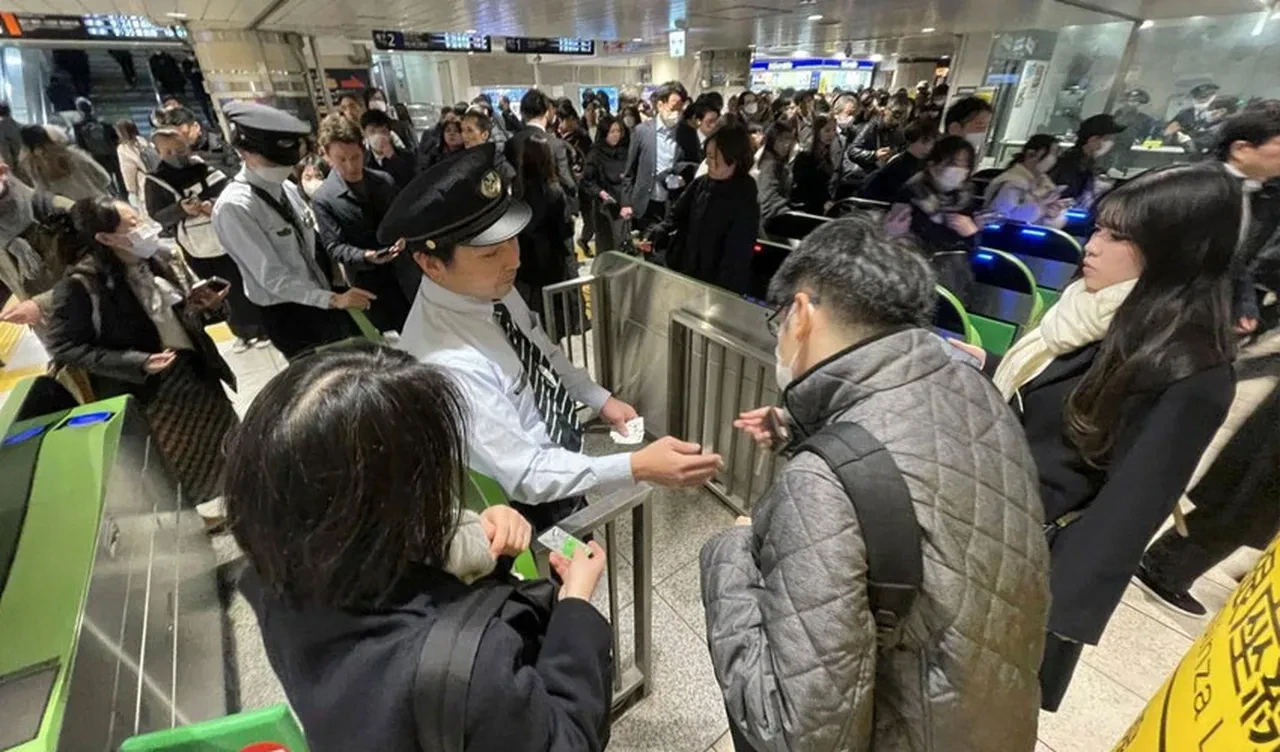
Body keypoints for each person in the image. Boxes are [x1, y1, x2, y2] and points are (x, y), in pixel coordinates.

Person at [701, 216, 1049, 751]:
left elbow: (791, 732)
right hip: (986, 717)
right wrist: (803, 429)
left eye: (778, 320)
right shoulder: (976, 388)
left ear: (800, 312)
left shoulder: (822, 484)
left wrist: (728, 551)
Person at [228, 345, 614, 752]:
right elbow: (566, 740)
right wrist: (576, 605)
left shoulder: (271, 579)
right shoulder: (469, 670)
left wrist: (476, 538)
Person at [968, 164, 1238, 710]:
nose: (1093, 246)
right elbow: (1062, 402)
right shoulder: (1088, 308)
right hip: (985, 521)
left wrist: (1047, 629)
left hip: (1031, 566)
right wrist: (987, 362)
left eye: (1119, 237)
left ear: (1175, 251)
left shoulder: (1189, 367)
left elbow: (1127, 512)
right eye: (1098, 229)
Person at [381, 144, 724, 531]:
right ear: (430, 263)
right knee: (564, 575)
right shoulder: (445, 364)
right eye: (491, 253)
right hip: (525, 506)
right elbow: (525, 474)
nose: (514, 260)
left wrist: (599, 398)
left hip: (564, 461)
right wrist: (638, 465)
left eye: (512, 240)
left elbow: (541, 351)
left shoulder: (488, 289)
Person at [49, 196, 239, 509]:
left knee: (229, 446)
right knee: (183, 467)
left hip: (194, 372)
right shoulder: (81, 285)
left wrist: (206, 307)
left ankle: (246, 500)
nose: (145, 228)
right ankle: (202, 522)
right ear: (106, 238)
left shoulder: (156, 260)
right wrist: (138, 362)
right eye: (133, 225)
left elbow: (177, 314)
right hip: (151, 394)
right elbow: (64, 346)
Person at [212, 102, 371, 359]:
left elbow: (310, 244)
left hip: (321, 299)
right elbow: (272, 278)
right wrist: (332, 299)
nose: (282, 167)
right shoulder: (235, 208)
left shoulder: (286, 188)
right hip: (289, 313)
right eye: (273, 160)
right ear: (244, 152)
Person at [146, 126, 267, 352]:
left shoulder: (204, 168)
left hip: (223, 236)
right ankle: (238, 331)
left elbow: (228, 190)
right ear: (158, 152)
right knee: (213, 288)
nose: (175, 156)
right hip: (194, 245)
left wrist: (211, 204)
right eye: (168, 151)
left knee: (240, 282)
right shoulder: (155, 181)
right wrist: (181, 209)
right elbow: (156, 212)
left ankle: (258, 328)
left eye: (179, 149)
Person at [311, 114, 413, 334]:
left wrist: (403, 237)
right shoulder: (324, 198)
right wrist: (364, 256)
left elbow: (401, 220)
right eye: (342, 159)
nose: (350, 166)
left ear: (363, 149)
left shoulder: (384, 180)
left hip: (403, 273)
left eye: (355, 157)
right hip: (368, 283)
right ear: (327, 156)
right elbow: (334, 246)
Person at [648, 125, 759, 295]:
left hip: (714, 285)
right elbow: (677, 215)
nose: (707, 163)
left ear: (733, 158)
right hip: (685, 271)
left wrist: (722, 294)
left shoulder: (745, 197)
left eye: (713, 157)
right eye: (707, 156)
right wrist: (662, 230)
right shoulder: (702, 183)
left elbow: (736, 257)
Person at [888, 135, 982, 304]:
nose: (960, 170)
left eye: (965, 165)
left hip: (955, 276)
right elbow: (900, 242)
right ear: (932, 166)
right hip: (915, 277)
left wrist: (972, 232)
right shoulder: (913, 192)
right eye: (953, 164)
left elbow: (973, 247)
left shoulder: (965, 196)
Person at [0, 159, 75, 340]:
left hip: (104, 330)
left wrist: (41, 305)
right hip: (55, 337)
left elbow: (105, 268)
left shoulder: (57, 210)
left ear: (2, 172)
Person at [509, 132, 572, 322]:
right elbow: (562, 230)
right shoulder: (554, 192)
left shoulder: (517, 191)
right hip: (550, 260)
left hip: (524, 259)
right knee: (551, 315)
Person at [620, 81, 688, 234]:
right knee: (650, 248)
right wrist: (626, 203)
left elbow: (692, 167)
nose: (677, 113)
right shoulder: (641, 131)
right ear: (660, 105)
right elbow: (630, 171)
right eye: (673, 107)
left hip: (673, 202)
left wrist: (683, 178)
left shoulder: (686, 133)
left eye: (680, 108)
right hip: (647, 203)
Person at [507, 90, 577, 225]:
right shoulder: (555, 144)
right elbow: (566, 180)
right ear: (546, 112)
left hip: (523, 213)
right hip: (553, 212)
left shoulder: (511, 143)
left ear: (522, 113)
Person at [983, 133, 1072, 227]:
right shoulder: (1012, 181)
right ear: (1031, 154)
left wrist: (1053, 215)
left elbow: (1055, 222)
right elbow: (1002, 217)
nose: (1053, 159)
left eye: (1056, 154)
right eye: (1051, 154)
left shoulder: (1044, 181)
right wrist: (1041, 204)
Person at [1049, 113, 1126, 207]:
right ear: (1094, 139)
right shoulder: (1072, 166)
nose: (1112, 143)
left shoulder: (1087, 163)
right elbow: (1067, 199)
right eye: (1109, 138)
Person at [19, 124, 112, 201]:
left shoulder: (33, 165)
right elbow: (104, 178)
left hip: (72, 211)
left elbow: (44, 193)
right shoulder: (73, 154)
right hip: (98, 201)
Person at [582, 115, 630, 254]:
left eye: (618, 131)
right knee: (607, 243)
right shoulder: (596, 153)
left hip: (622, 202)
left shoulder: (624, 151)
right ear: (604, 133)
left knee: (623, 243)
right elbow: (587, 180)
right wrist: (601, 193)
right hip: (605, 206)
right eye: (612, 132)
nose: (616, 135)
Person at [860, 118, 936, 203]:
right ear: (912, 139)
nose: (929, 148)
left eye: (932, 143)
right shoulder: (900, 164)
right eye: (924, 142)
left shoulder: (918, 163)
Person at [153, 105, 241, 176]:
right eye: (175, 136)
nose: (182, 140)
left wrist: (206, 166)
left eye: (185, 133)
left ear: (196, 127)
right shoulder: (171, 155)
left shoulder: (217, 144)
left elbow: (236, 172)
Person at [72, 98, 125, 197]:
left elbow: (80, 144)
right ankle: (122, 196)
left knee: (101, 182)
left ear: (79, 111)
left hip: (93, 158)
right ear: (92, 109)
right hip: (110, 156)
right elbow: (116, 139)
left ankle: (110, 198)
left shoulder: (78, 127)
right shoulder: (105, 125)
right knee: (117, 179)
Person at [790, 114, 840, 215]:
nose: (831, 134)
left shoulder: (827, 153)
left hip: (823, 204)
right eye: (827, 131)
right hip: (807, 207)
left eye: (834, 130)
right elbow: (803, 186)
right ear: (817, 132)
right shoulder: (805, 155)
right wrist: (823, 202)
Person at [359, 109, 416, 190]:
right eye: (372, 132)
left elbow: (412, 182)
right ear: (364, 134)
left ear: (389, 133)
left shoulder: (407, 156)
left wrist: (393, 158)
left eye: (383, 131)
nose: (378, 137)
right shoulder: (362, 161)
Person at [755, 121, 796, 230]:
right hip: (769, 225)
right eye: (781, 140)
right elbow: (767, 199)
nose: (786, 144)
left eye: (789, 139)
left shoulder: (778, 161)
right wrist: (789, 214)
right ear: (772, 140)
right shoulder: (769, 164)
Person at [846, 102, 906, 173]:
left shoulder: (897, 130)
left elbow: (901, 147)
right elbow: (852, 151)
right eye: (896, 115)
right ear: (886, 111)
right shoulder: (871, 126)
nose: (897, 121)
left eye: (902, 118)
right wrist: (874, 155)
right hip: (865, 172)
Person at [461, 108, 516, 181]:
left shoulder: (498, 160)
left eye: (470, 131)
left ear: (485, 135)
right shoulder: (461, 160)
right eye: (462, 130)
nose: (464, 135)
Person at [115, 119, 155, 214]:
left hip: (144, 182)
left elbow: (128, 170)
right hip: (156, 177)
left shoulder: (124, 148)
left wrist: (131, 191)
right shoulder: (144, 141)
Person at [417, 103, 466, 171]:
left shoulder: (467, 155)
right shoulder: (434, 155)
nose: (451, 134)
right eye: (448, 131)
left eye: (456, 131)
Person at [0, 101, 24, 175]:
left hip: (13, 171)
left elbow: (6, 154)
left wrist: (8, 174)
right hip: (24, 167)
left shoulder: (1, 127)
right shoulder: (20, 126)